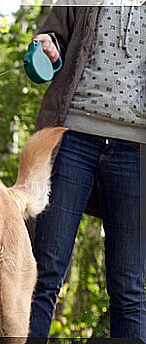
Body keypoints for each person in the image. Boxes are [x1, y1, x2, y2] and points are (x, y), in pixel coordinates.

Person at [29, 4, 145, 341]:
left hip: (136, 150)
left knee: (130, 286)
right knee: (43, 274)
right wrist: (48, 45)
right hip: (72, 136)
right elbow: (55, 34)